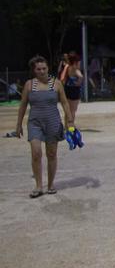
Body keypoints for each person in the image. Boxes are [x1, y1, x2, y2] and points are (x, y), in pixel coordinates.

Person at [13, 56, 75, 198]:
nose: (42, 71)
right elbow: (23, 105)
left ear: (48, 68)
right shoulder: (29, 85)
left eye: (44, 68)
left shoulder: (57, 84)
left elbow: (65, 103)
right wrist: (18, 125)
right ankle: (38, 186)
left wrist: (70, 120)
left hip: (52, 122)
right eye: (38, 69)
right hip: (35, 123)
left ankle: (51, 184)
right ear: (34, 71)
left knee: (51, 154)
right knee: (36, 153)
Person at [58, 52, 83, 123]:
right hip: (74, 90)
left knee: (67, 110)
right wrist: (78, 83)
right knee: (73, 111)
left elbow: (62, 79)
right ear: (75, 61)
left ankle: (66, 126)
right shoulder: (75, 69)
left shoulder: (67, 67)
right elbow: (81, 76)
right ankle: (71, 127)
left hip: (67, 89)